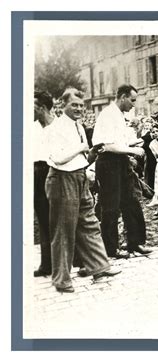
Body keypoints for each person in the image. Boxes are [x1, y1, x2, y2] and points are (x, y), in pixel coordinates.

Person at [45, 88, 120, 293]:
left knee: (89, 223)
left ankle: (99, 266)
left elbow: (82, 156)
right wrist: (81, 147)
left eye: (80, 105)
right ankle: (62, 280)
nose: (79, 108)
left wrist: (92, 154)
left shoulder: (77, 125)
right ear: (63, 105)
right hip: (62, 179)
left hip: (79, 176)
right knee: (64, 230)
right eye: (74, 105)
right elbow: (58, 158)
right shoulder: (55, 128)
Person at [93, 84, 152, 258]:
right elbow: (108, 145)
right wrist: (133, 151)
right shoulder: (107, 115)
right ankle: (111, 248)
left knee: (132, 202)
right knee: (110, 206)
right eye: (132, 100)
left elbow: (120, 142)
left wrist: (135, 143)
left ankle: (135, 243)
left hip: (120, 161)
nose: (133, 105)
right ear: (123, 97)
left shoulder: (119, 115)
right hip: (108, 163)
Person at [33, 90, 54, 277]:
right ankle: (46, 264)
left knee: (58, 219)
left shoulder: (57, 128)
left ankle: (73, 260)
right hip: (36, 174)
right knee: (42, 220)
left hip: (53, 172)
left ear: (43, 108)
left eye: (34, 107)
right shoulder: (32, 128)